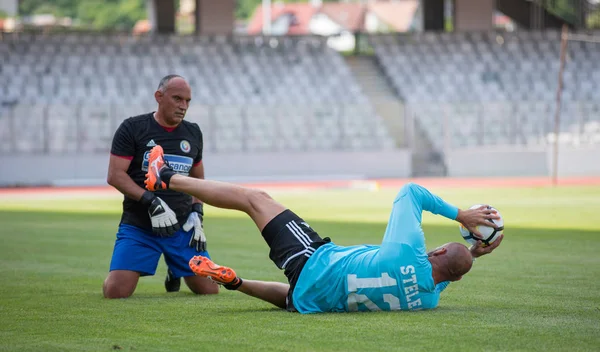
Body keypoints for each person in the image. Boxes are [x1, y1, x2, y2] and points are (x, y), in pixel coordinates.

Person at [144, 145, 503, 312]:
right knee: (290, 297)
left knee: (254, 198)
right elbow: (444, 277)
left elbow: (411, 192)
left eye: (438, 248)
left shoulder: (406, 253)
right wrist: (471, 254)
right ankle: (237, 283)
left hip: (314, 259)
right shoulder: (426, 300)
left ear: (438, 251)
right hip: (311, 297)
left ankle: (165, 178)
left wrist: (462, 217)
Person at [103, 75, 218, 298]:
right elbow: (115, 175)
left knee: (209, 290)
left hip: (181, 227)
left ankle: (175, 268)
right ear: (159, 96)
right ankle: (172, 264)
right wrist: (151, 200)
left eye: (187, 101)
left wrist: (197, 212)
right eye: (177, 99)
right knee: (116, 292)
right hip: (140, 226)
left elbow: (198, 180)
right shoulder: (132, 128)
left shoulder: (193, 133)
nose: (183, 106)